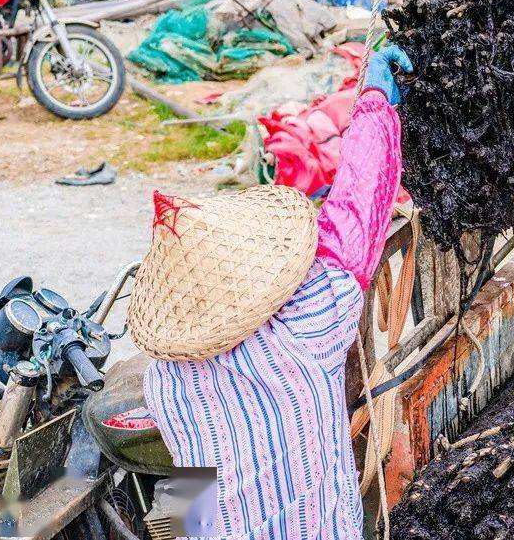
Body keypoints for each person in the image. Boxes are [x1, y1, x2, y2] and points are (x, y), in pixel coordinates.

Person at [127, 46, 412, 540]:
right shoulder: (302, 331)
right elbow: (355, 210)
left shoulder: (164, 381)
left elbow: (193, 490)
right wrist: (374, 102)